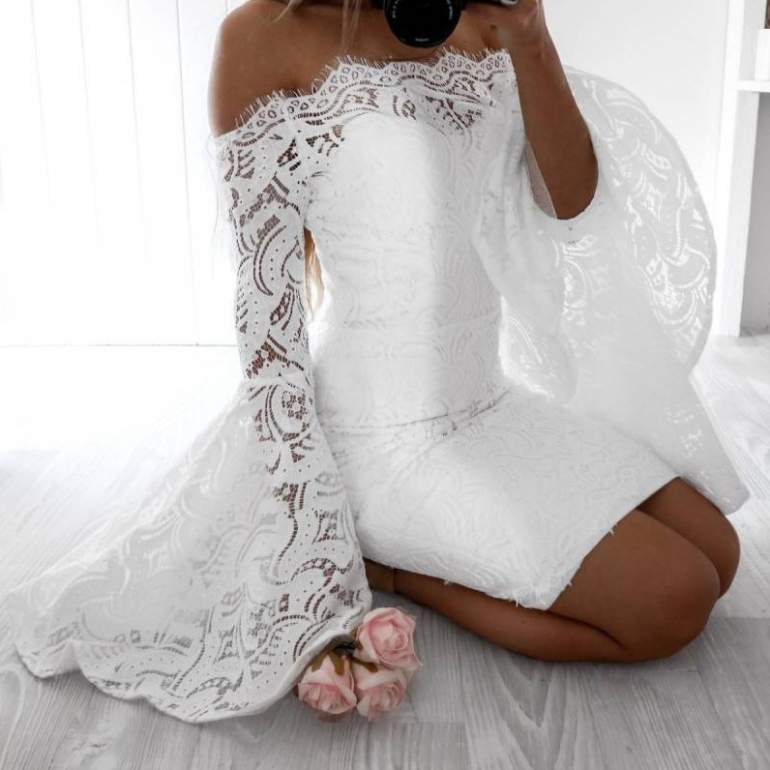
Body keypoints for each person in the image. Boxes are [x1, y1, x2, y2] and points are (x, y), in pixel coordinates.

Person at [2, 0, 749, 724]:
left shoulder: (483, 21)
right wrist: (305, 509)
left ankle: (416, 550)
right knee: (674, 598)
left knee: (719, 550)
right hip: (383, 440)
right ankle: (393, 567)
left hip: (488, 402)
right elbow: (268, 323)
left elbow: (569, 203)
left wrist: (532, 38)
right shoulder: (263, 36)